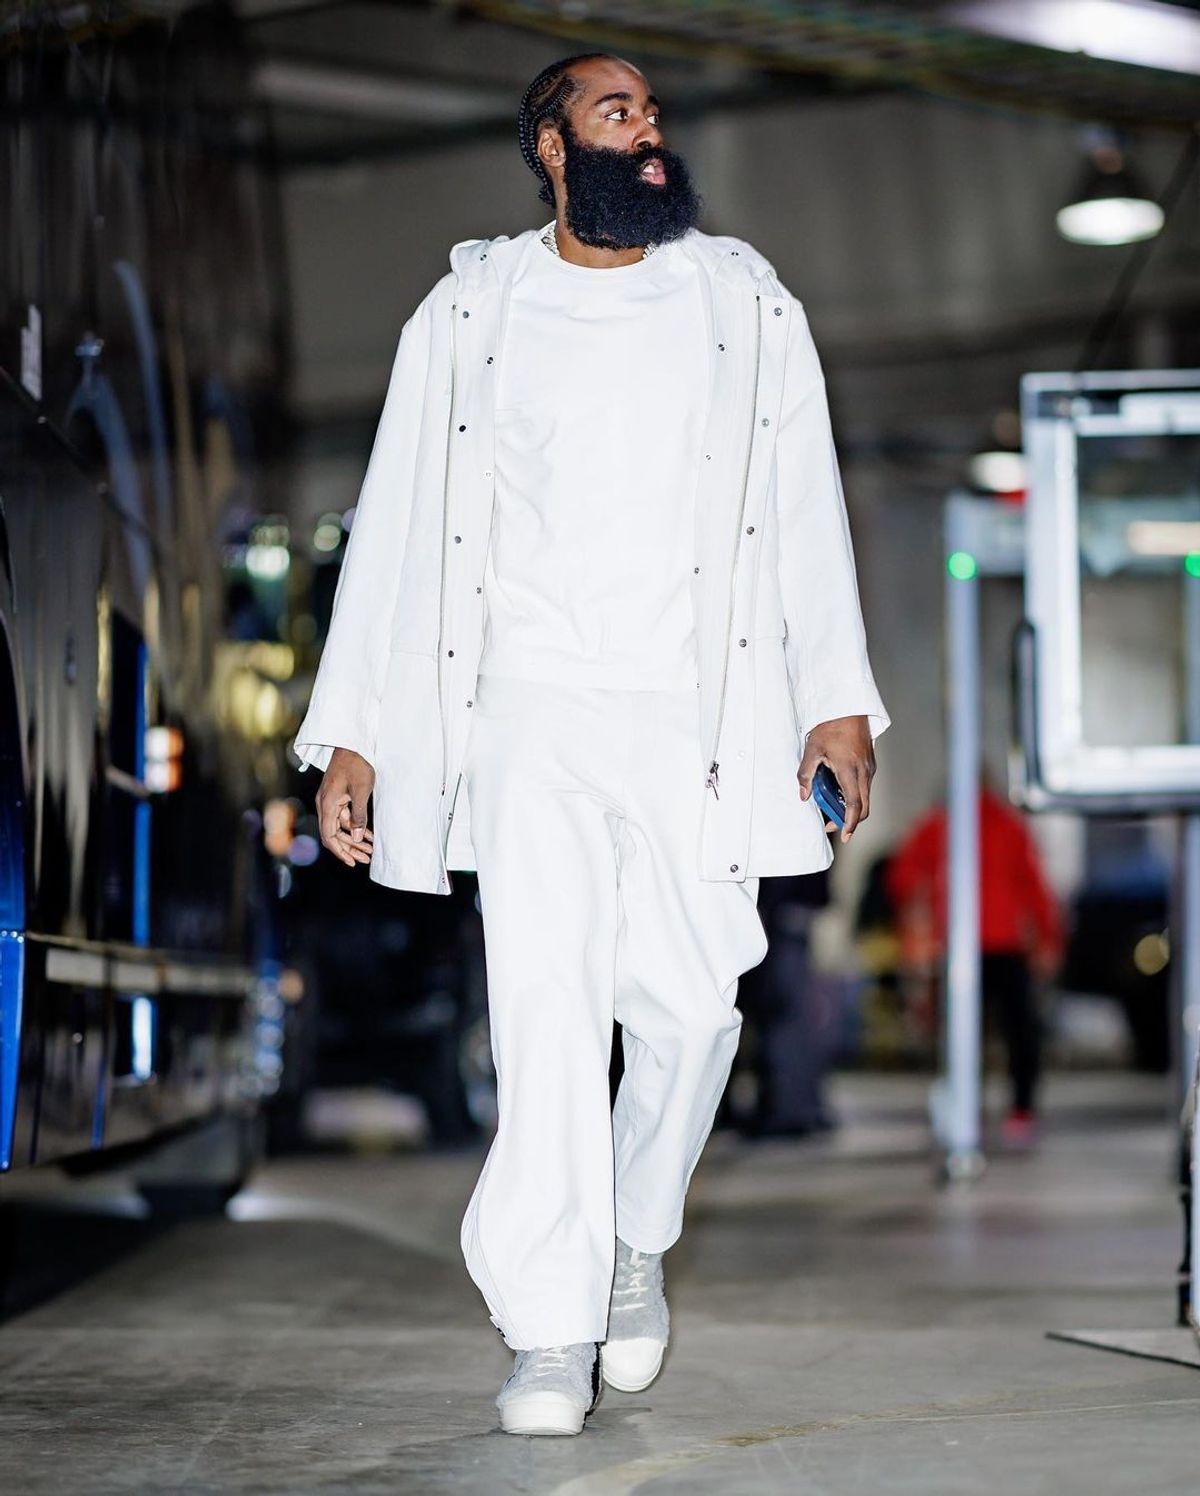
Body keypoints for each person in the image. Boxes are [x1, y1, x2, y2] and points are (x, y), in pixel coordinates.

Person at [293, 52, 888, 1437]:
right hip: (530, 709)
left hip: (696, 713)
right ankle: (550, 1326)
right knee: (545, 1015)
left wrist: (836, 697)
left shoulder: (741, 303)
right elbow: (397, 521)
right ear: (554, 150)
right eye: (618, 114)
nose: (650, 133)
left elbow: (804, 504)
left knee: (694, 1009)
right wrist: (353, 733)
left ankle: (634, 1235)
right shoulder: (472, 310)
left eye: (654, 113)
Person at [886, 784, 1063, 1147]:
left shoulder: (940, 823)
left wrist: (918, 921)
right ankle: (1021, 1110)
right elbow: (1035, 886)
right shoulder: (1008, 824)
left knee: (961, 1035)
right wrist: (1047, 939)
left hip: (959, 945)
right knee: (1019, 1033)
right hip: (1006, 944)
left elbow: (902, 878)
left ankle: (968, 1108)